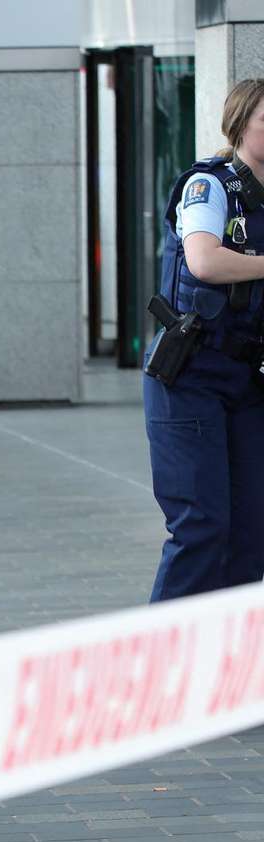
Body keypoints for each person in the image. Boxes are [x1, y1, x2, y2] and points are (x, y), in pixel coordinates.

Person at [144, 78, 264, 603]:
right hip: (190, 374)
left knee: (253, 530)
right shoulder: (209, 187)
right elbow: (205, 261)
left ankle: (233, 670)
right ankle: (161, 667)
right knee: (200, 527)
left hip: (248, 379)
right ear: (240, 126)